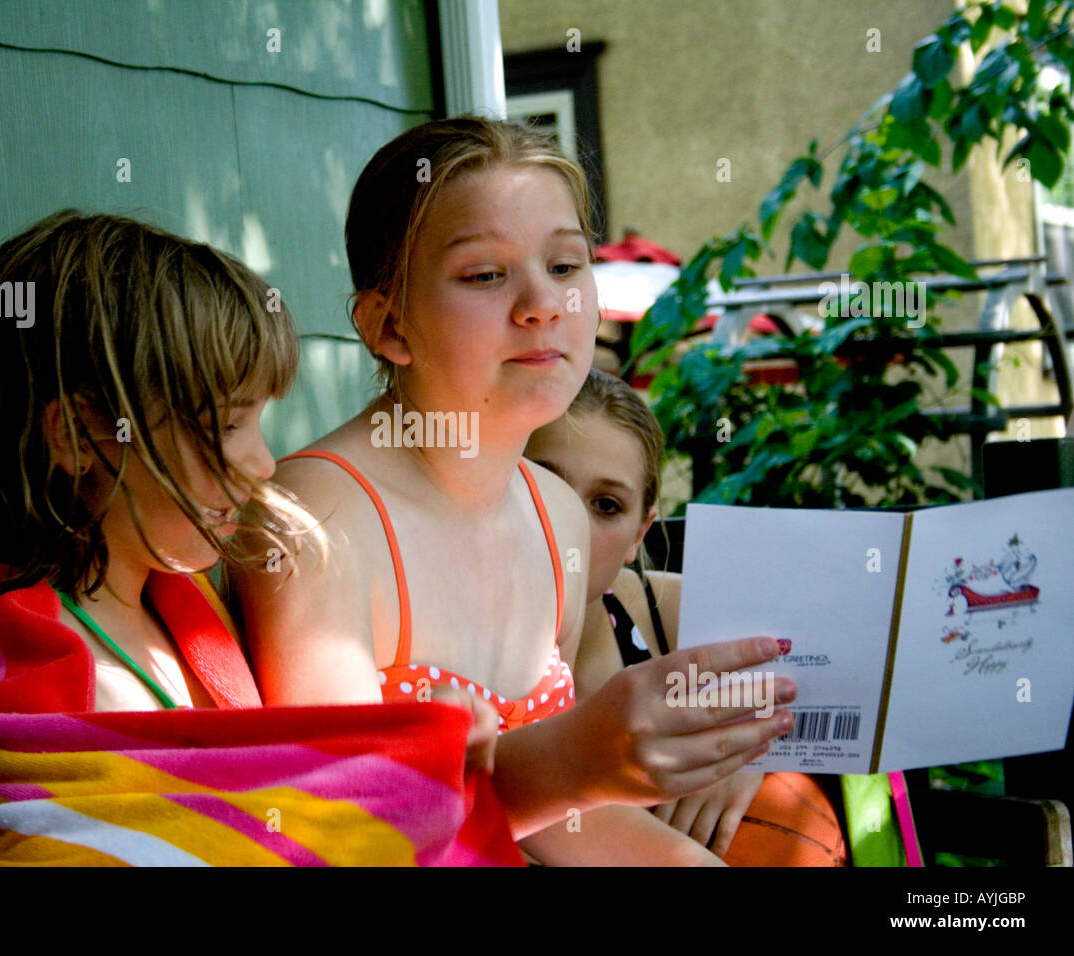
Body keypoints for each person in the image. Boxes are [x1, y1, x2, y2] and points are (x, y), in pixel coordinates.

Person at [231, 117, 797, 864]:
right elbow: (351, 833)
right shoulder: (319, 524)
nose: (543, 305)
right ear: (388, 324)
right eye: (484, 275)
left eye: (566, 266)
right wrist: (573, 761)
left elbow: (564, 821)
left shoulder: (557, 516)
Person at [0, 210, 522, 866]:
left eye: (258, 422)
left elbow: (255, 817)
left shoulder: (183, 609)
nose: (264, 462)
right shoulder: (1, 670)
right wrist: (409, 785)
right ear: (76, 436)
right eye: (224, 426)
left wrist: (418, 759)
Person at [526, 369, 847, 865]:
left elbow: (837, 673)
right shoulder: (441, 625)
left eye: (606, 505)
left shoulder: (671, 614)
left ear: (639, 534)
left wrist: (756, 746)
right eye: (545, 484)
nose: (572, 525)